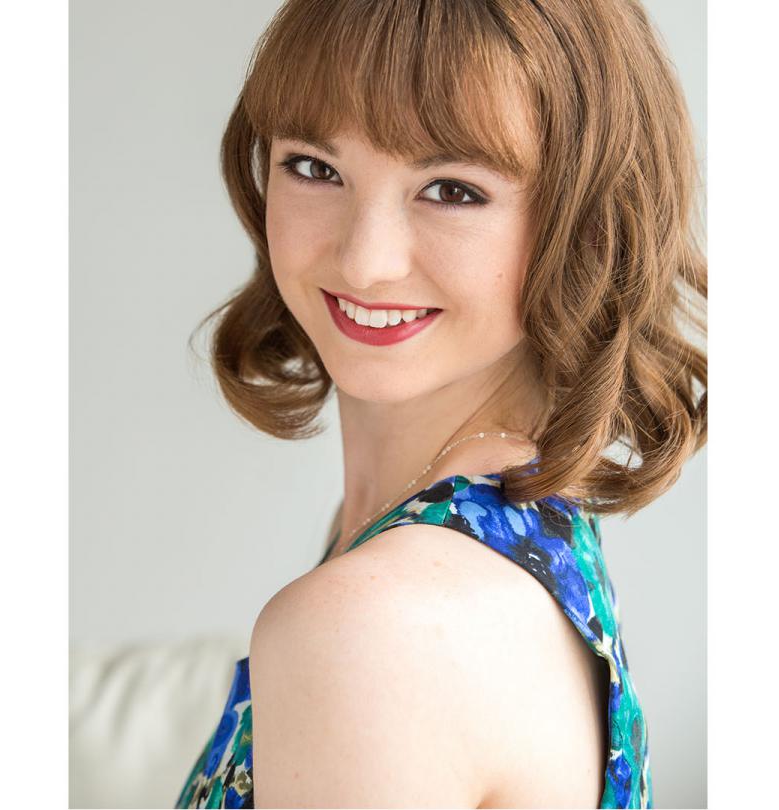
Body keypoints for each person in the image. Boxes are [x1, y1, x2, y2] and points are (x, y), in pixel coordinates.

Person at [175, 0, 705, 806]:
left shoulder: (376, 625)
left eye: (452, 190)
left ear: (588, 223)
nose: (365, 261)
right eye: (315, 167)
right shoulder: (493, 530)